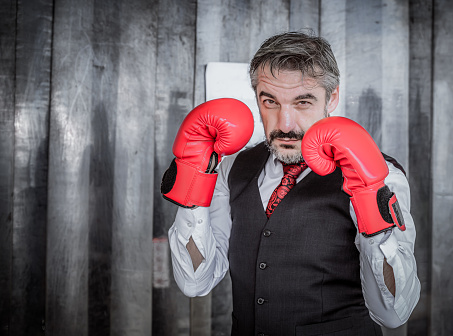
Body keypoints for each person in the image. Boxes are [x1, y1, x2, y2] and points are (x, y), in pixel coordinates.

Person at [164, 31, 420, 335]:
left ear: (332, 98)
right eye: (270, 101)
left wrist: (369, 200)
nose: (285, 124)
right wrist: (193, 178)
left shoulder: (382, 175)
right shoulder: (231, 167)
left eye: (302, 102)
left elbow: (394, 314)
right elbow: (196, 282)